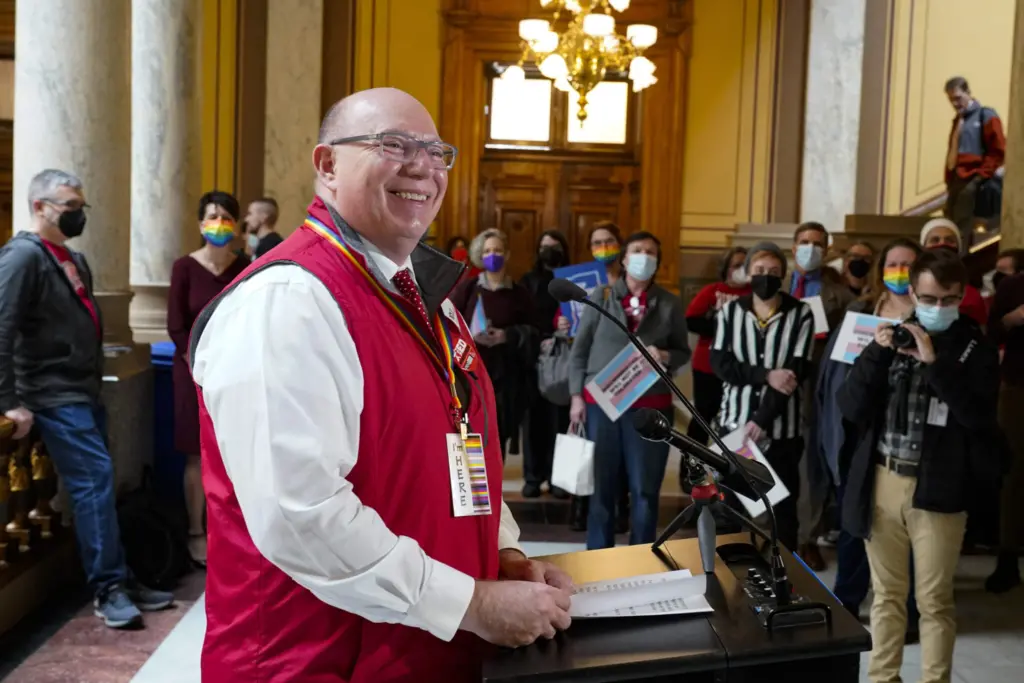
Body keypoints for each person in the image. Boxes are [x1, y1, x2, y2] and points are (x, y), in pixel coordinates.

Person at [189, 88, 573, 682]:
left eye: (436, 152)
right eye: (392, 145)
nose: (421, 165)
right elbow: (302, 514)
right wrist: (470, 603)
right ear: (327, 164)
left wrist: (503, 557)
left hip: (427, 647)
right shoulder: (287, 302)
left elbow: (460, 444)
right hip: (316, 660)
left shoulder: (426, 301)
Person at [0, 169, 174, 628]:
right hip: (51, 394)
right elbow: (2, 328)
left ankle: (118, 576)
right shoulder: (22, 258)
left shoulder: (70, 257)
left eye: (81, 205)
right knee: (94, 483)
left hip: (82, 390)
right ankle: (108, 588)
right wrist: (9, 401)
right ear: (40, 207)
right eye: (69, 206)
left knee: (99, 485)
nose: (79, 214)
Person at [838, 249, 1002, 683]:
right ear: (912, 292)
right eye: (929, 298)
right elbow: (850, 407)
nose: (937, 307)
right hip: (883, 480)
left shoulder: (974, 348)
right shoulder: (892, 338)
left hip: (939, 489)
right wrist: (877, 355)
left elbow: (979, 418)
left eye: (948, 299)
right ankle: (882, 677)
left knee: (933, 600)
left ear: (962, 295)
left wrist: (935, 365)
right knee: (886, 596)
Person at [816, 238, 923, 634]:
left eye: (907, 265)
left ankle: (908, 612)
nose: (899, 272)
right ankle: (847, 600)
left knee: (909, 529)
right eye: (892, 264)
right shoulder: (859, 312)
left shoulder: (933, 318)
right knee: (853, 522)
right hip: (859, 436)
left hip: (909, 438)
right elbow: (835, 379)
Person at [568, 231, 691, 550]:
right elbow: (579, 350)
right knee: (602, 488)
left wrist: (665, 355)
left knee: (645, 490)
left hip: (650, 407)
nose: (644, 256)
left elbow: (683, 351)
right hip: (602, 403)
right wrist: (576, 396)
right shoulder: (601, 295)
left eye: (651, 252)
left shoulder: (669, 302)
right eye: (637, 250)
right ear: (624, 258)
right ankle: (598, 556)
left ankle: (643, 557)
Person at [711, 242, 815, 551]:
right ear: (747, 273)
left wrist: (761, 419)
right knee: (731, 506)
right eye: (759, 271)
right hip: (734, 426)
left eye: (772, 272)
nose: (765, 277)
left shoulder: (801, 314)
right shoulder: (730, 312)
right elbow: (722, 365)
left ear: (783, 274)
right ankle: (732, 576)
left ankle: (786, 582)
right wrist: (767, 374)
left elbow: (795, 374)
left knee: (782, 511)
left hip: (782, 430)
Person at [167, 190, 248, 566]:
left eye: (226, 216)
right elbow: (176, 325)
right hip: (191, 373)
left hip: (235, 373)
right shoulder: (185, 267)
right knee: (195, 456)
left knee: (234, 453)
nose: (219, 222)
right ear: (201, 224)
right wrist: (199, 363)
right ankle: (195, 531)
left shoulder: (244, 265)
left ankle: (228, 531)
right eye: (213, 216)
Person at [787, 221, 854, 570]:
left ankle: (807, 537)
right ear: (793, 246)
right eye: (803, 242)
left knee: (811, 465)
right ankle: (769, 532)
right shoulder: (776, 285)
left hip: (817, 386)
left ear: (826, 250)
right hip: (773, 386)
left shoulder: (840, 296)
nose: (809, 248)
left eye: (816, 243)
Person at [450, 229, 538, 461]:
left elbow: (535, 332)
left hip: (507, 378)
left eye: (498, 250)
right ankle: (477, 492)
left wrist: (506, 336)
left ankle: (496, 491)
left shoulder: (519, 293)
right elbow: (448, 323)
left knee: (499, 436)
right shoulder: (468, 289)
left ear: (507, 254)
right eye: (488, 250)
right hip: (472, 375)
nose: (493, 254)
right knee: (473, 434)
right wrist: (471, 336)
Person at [568, 221, 631, 533]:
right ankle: (586, 513)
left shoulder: (632, 283)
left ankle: (621, 511)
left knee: (624, 462)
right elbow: (574, 335)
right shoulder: (581, 282)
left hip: (630, 385)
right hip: (592, 383)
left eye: (609, 241)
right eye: (597, 242)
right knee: (593, 460)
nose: (604, 247)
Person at [518, 230, 571, 498]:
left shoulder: (573, 278)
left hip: (565, 357)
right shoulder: (528, 281)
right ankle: (532, 476)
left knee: (560, 421)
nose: (549, 250)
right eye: (544, 246)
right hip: (535, 358)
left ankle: (558, 478)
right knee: (534, 421)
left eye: (555, 246)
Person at [683, 246, 749, 454]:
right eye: (737, 265)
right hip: (707, 365)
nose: (742, 269)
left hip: (742, 366)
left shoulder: (756, 294)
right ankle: (692, 469)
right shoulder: (713, 291)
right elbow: (691, 321)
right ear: (726, 268)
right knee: (702, 418)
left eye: (745, 265)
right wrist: (724, 329)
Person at [986, 262, 1024, 593]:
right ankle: (1007, 557)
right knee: (1012, 475)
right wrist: (1012, 320)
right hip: (1017, 387)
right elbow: (990, 332)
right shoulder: (1012, 286)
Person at [943, 76, 1005, 233]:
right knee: (951, 221)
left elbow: (998, 150)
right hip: (956, 178)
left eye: (958, 98)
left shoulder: (986, 115)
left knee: (963, 222)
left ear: (968, 93)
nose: (955, 104)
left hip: (973, 176)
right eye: (951, 100)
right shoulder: (958, 121)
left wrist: (981, 174)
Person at [920, 217, 987, 326]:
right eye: (935, 240)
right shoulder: (911, 286)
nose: (942, 244)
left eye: (949, 240)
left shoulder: (972, 295)